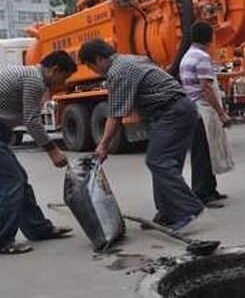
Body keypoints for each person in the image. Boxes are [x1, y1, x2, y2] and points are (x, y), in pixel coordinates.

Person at [78, 39, 204, 231]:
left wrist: (102, 145)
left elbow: (115, 115)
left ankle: (188, 209)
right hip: (177, 110)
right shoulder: (129, 60)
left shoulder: (118, 71)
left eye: (91, 66)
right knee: (166, 163)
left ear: (98, 59)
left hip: (173, 111)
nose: (94, 71)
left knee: (158, 161)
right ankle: (167, 213)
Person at [0, 50, 77, 255]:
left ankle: (38, 229)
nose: (63, 82)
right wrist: (53, 151)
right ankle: (3, 240)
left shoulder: (30, 75)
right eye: (65, 76)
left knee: (19, 179)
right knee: (12, 182)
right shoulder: (35, 80)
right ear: (54, 70)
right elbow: (32, 120)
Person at [179, 21, 234, 207]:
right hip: (203, 111)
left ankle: (210, 190)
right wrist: (222, 114)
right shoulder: (202, 57)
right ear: (209, 38)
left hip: (192, 110)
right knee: (203, 154)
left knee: (204, 151)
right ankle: (202, 194)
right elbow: (206, 88)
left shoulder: (187, 57)